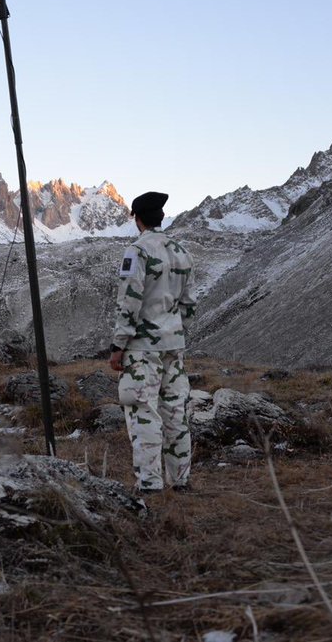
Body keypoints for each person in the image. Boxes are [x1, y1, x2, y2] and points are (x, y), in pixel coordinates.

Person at [109, 191, 196, 494]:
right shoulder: (181, 251)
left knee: (144, 413)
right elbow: (189, 303)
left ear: (138, 218)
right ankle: (181, 480)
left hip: (142, 349)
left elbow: (129, 300)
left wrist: (119, 344)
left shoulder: (137, 251)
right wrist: (173, 331)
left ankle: (149, 485)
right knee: (176, 413)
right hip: (173, 345)